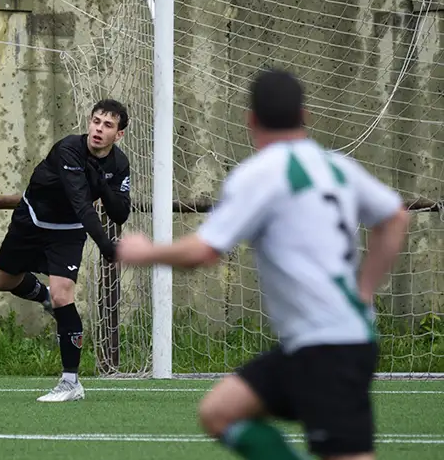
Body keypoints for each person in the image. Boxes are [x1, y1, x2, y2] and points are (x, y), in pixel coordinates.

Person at [116, 69, 409, 460]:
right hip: (316, 343)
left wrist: (144, 252)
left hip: (330, 347)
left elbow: (205, 251)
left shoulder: (260, 174)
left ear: (250, 119)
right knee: (219, 412)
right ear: (305, 114)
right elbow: (395, 218)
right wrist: (365, 290)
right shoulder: (336, 166)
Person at [0, 99, 131, 402]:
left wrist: (104, 185)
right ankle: (43, 297)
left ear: (119, 134)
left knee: (63, 295)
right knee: (3, 281)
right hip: (32, 219)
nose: (98, 129)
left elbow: (121, 213)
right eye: (96, 121)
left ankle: (71, 383)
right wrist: (108, 248)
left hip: (67, 233)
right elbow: (82, 204)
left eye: (108, 125)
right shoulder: (68, 149)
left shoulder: (119, 164)